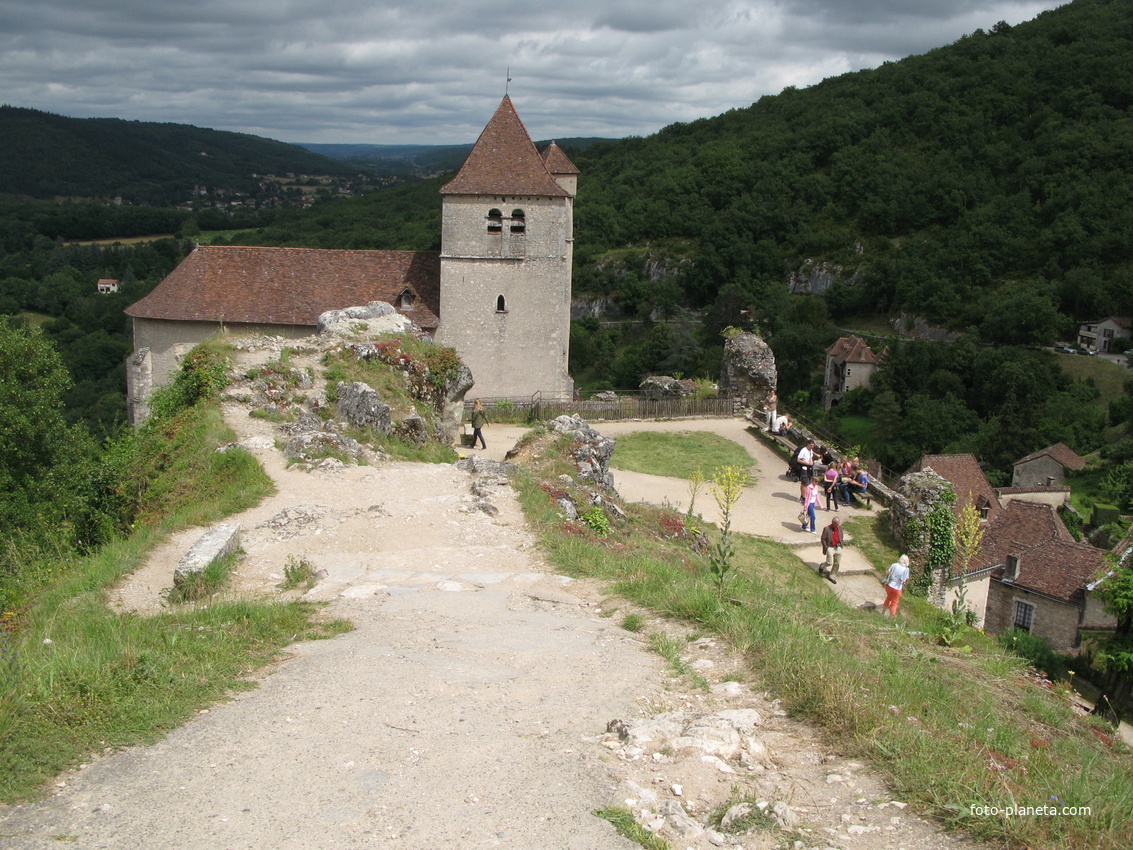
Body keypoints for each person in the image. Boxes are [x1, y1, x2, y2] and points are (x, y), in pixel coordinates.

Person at [819, 517, 843, 583]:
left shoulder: (840, 528)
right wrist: (826, 547)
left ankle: (832, 576)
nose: (837, 526)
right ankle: (822, 566)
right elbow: (823, 539)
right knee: (830, 562)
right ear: (833, 523)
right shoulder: (827, 529)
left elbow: (841, 536)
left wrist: (841, 545)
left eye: (838, 524)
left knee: (837, 563)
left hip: (838, 547)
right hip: (830, 547)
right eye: (836, 524)